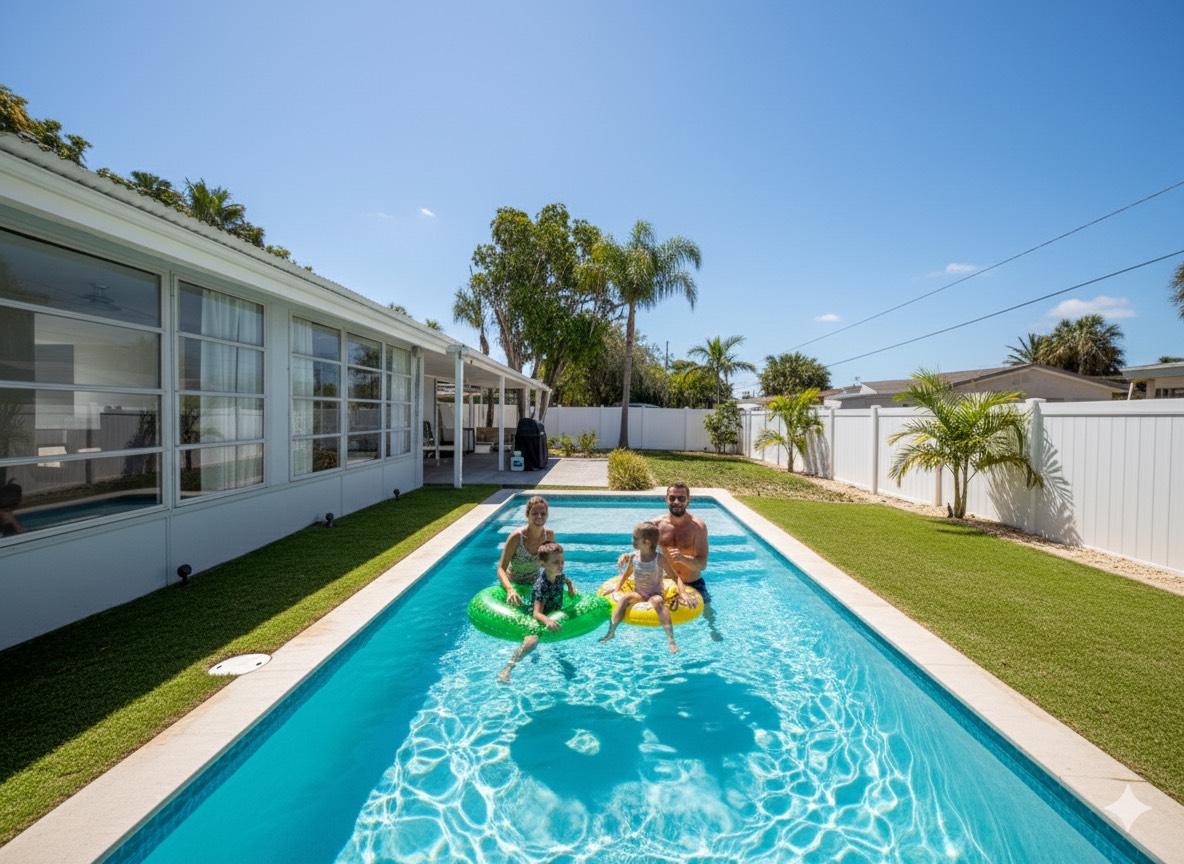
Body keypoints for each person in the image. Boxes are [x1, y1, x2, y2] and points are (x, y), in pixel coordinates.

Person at [599, 521, 691, 653]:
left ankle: (671, 640)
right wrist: (617, 589)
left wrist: (682, 594)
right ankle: (611, 632)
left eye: (635, 538)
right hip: (639, 593)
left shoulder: (659, 559)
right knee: (624, 598)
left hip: (655, 593)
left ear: (646, 543)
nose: (632, 540)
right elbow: (626, 575)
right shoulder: (634, 558)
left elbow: (675, 577)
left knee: (658, 601)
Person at [498, 541, 575, 683]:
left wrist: (571, 586)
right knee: (532, 641)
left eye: (562, 561)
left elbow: (566, 580)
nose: (561, 565)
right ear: (543, 564)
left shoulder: (559, 575)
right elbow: (536, 613)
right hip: (536, 617)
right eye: (556, 562)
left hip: (552, 612)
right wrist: (547, 620)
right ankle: (506, 670)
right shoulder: (541, 586)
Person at [653, 481, 720, 641]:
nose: (677, 502)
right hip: (667, 583)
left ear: (688, 501)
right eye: (673, 498)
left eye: (681, 498)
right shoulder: (656, 525)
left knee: (709, 614)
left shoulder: (698, 527)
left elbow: (702, 564)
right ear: (666, 499)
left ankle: (712, 629)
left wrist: (682, 558)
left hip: (693, 583)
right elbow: (644, 556)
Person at [496, 494, 555, 607]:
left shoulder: (549, 536)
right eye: (534, 513)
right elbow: (500, 569)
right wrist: (510, 590)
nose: (539, 516)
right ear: (527, 515)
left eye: (543, 513)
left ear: (547, 515)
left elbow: (552, 564)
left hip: (534, 583)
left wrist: (566, 582)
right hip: (513, 584)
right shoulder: (516, 537)